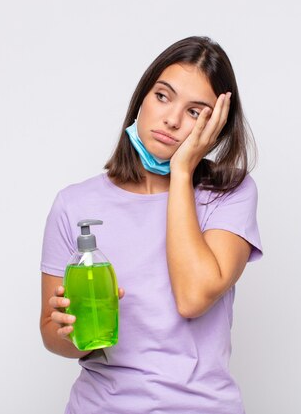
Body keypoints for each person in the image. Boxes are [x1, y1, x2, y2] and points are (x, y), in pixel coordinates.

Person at [40, 36, 263, 414]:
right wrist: (78, 332)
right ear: (142, 98)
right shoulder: (74, 204)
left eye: (196, 112)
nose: (172, 120)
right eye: (163, 96)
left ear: (217, 127)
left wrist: (181, 172)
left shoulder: (229, 194)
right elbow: (51, 331)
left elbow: (192, 297)